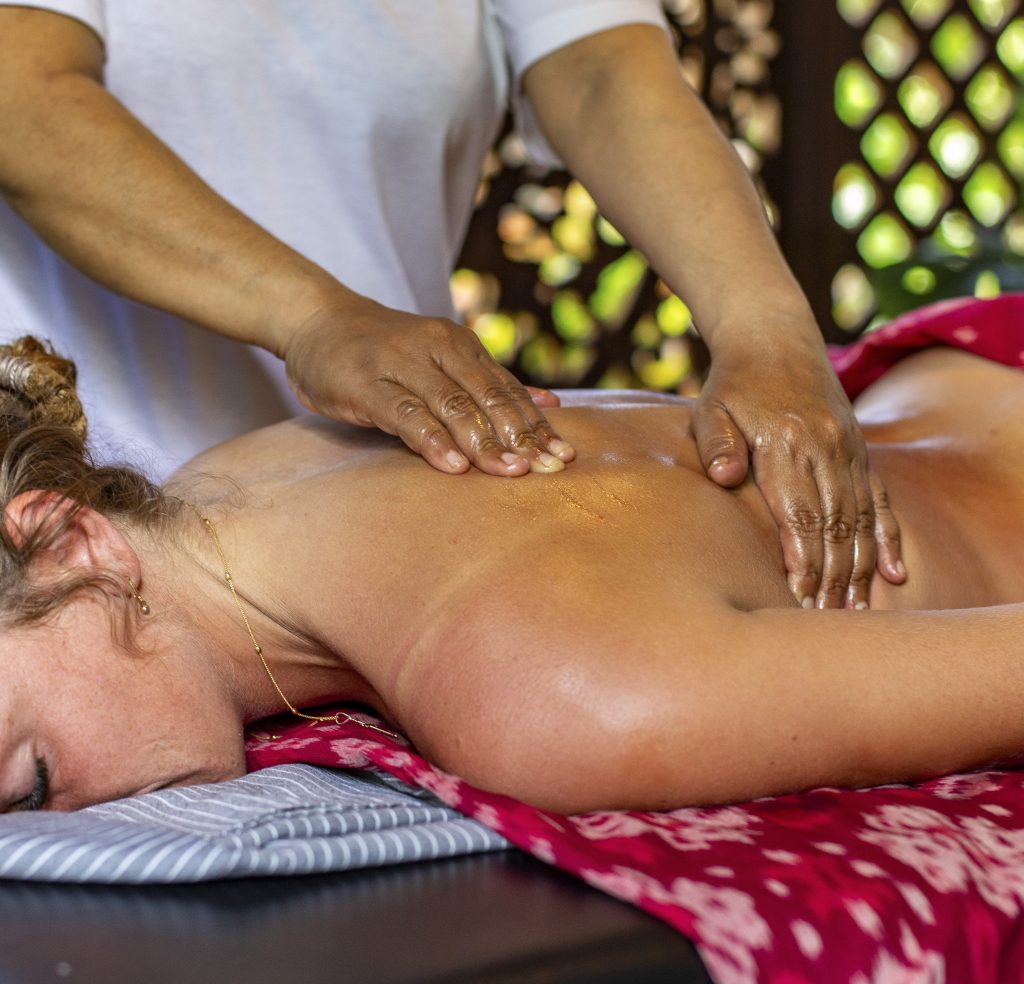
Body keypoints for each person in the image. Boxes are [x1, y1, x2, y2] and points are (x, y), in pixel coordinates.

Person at [0, 2, 903, 613]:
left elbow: (602, 70)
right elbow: (22, 95)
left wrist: (767, 331)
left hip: (359, 528)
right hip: (52, 542)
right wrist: (313, 315)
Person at [1, 298, 1022, 818]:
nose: (42, 836)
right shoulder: (238, 477)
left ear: (66, 536)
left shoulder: (540, 698)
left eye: (31, 782)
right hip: (957, 370)